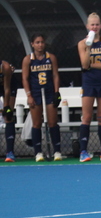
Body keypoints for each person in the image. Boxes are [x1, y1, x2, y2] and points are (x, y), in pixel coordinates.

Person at [77, 12, 101, 162]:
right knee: (86, 117)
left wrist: (91, 66)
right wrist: (88, 47)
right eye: (92, 25)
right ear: (87, 26)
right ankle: (83, 152)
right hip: (88, 83)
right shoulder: (82, 43)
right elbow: (84, 64)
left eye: (97, 24)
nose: (94, 27)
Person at [21, 34, 62, 162]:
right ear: (32, 44)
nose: (40, 45)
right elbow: (25, 78)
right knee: (37, 123)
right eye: (37, 42)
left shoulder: (51, 58)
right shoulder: (28, 60)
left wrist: (57, 92)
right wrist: (29, 95)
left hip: (49, 91)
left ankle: (57, 151)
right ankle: (38, 152)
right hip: (36, 92)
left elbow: (55, 75)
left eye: (42, 42)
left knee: (52, 122)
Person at [2, 60, 18, 162]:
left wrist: (6, 106)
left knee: (8, 115)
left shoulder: (5, 67)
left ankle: (10, 152)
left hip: (8, 86)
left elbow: (7, 89)